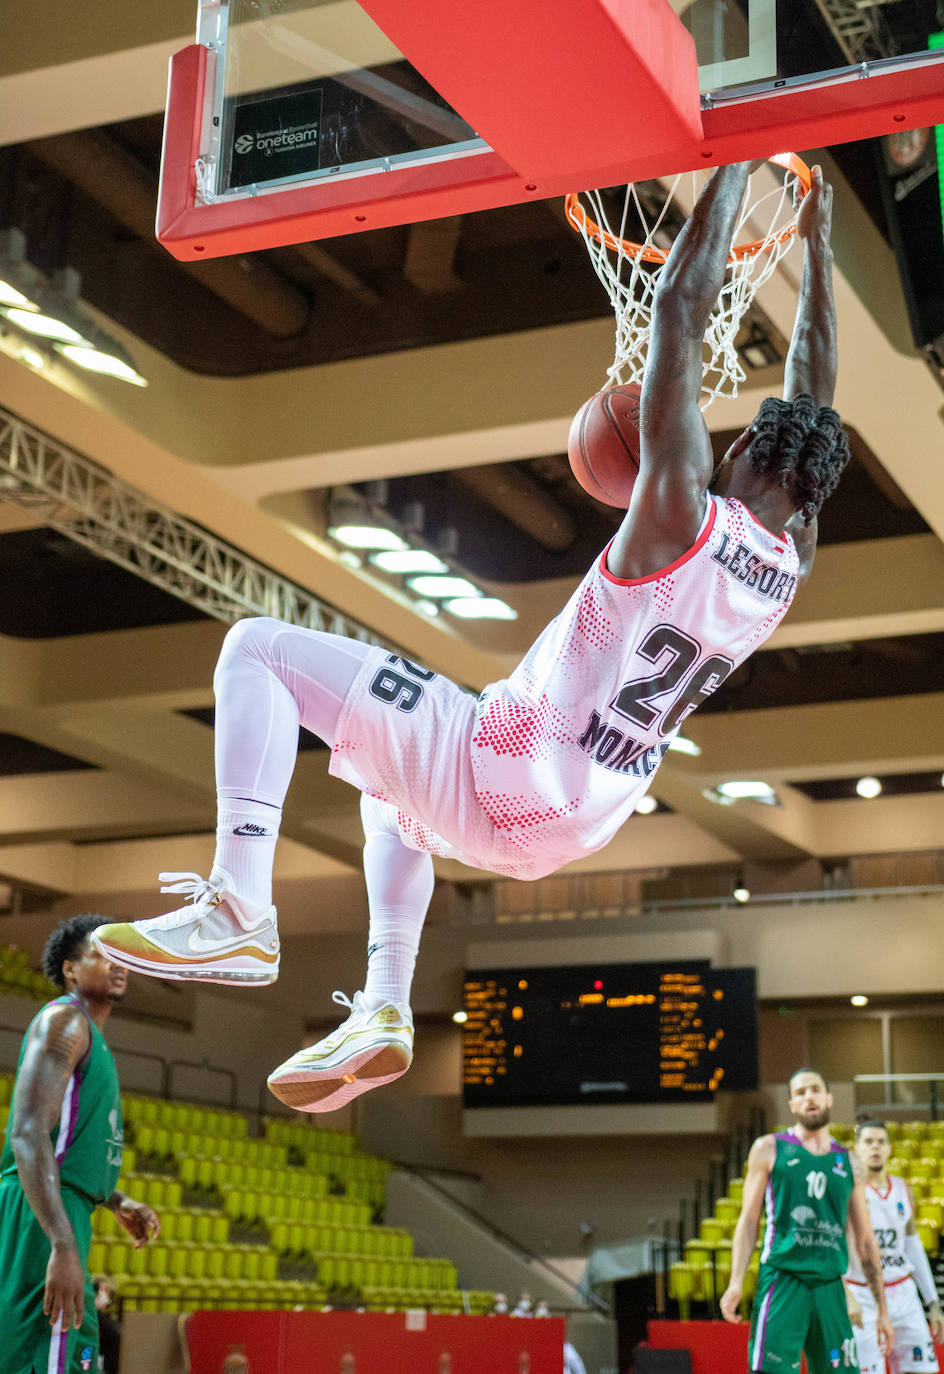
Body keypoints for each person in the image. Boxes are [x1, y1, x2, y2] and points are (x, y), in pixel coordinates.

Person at [93, 160, 850, 1113]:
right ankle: (383, 1004)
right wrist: (818, 236)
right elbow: (814, 395)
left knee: (258, 649)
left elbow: (683, 309)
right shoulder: (789, 566)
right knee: (380, 772)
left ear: (735, 453)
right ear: (808, 489)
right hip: (574, 818)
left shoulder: (677, 512)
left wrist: (740, 163)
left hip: (502, 761)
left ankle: (240, 906)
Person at [0, 916, 160, 1374]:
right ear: (70, 969)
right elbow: (27, 1135)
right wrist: (63, 1246)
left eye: (122, 955)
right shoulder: (65, 1020)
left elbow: (62, 1144)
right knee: (53, 1357)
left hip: (61, 1208)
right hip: (41, 1215)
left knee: (66, 1356)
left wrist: (113, 1198)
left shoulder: (91, 1035)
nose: (118, 964)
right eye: (102, 954)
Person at [720, 1068, 894, 1374]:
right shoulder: (769, 1148)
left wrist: (882, 1310)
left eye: (814, 1089)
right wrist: (736, 1281)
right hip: (783, 1279)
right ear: (791, 1105)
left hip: (829, 1285)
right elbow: (748, 1222)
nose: (808, 1097)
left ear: (829, 1098)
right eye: (800, 1093)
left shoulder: (850, 1163)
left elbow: (865, 1240)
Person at [845, 1120, 944, 1374]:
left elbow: (913, 1247)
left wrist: (932, 1302)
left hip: (903, 1294)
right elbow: (835, 1248)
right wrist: (845, 1294)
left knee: (922, 1370)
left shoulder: (902, 1189)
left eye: (880, 1141)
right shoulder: (847, 1192)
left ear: (889, 1148)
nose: (875, 1147)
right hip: (863, 1295)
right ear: (857, 1148)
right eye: (868, 1142)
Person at [92, 1274, 121, 1374]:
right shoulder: (89, 1318)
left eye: (105, 1291)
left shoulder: (110, 1323)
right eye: (97, 1290)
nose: (100, 1294)